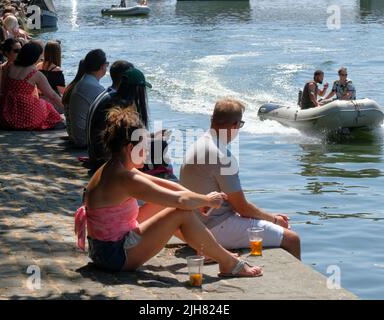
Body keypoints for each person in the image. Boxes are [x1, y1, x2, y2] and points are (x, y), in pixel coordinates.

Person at [74, 106, 262, 277]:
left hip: (102, 249)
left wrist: (201, 200)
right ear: (131, 147)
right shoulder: (126, 178)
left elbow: (168, 186)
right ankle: (228, 262)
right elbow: (180, 201)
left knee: (166, 201)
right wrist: (207, 200)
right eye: (145, 147)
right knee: (181, 213)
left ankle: (208, 249)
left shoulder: (114, 168)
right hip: (115, 255)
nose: (147, 152)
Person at [180, 98, 301, 259]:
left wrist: (269, 217)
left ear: (212, 120)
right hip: (215, 228)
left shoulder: (198, 144)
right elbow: (242, 208)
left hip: (193, 225)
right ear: (235, 125)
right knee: (292, 239)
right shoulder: (223, 156)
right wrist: (274, 220)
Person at [87, 63, 155, 171]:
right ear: (137, 89)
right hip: (105, 160)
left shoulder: (111, 97)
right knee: (159, 149)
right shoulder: (120, 106)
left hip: (96, 156)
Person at [0, 41, 63, 130]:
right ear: (35, 57)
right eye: (40, 56)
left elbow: (3, 88)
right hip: (26, 113)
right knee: (47, 105)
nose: (41, 58)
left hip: (7, 112)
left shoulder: (9, 67)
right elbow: (51, 94)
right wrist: (66, 107)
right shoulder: (35, 74)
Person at [67, 49, 107, 147]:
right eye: (107, 64)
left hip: (78, 135)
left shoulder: (84, 81)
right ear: (102, 66)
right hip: (85, 139)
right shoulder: (95, 87)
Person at [36, 41, 65, 112]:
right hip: (52, 103)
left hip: (39, 100)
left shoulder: (38, 66)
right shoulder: (56, 70)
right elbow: (62, 91)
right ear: (57, 54)